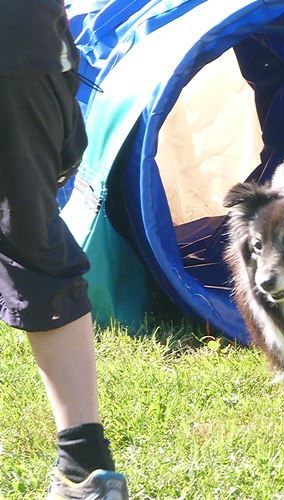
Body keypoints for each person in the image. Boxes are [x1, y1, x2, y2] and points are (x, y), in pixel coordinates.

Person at [0, 1, 129, 498]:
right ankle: (84, 465)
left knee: (34, 250)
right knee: (35, 247)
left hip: (23, 54)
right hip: (32, 51)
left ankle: (84, 467)